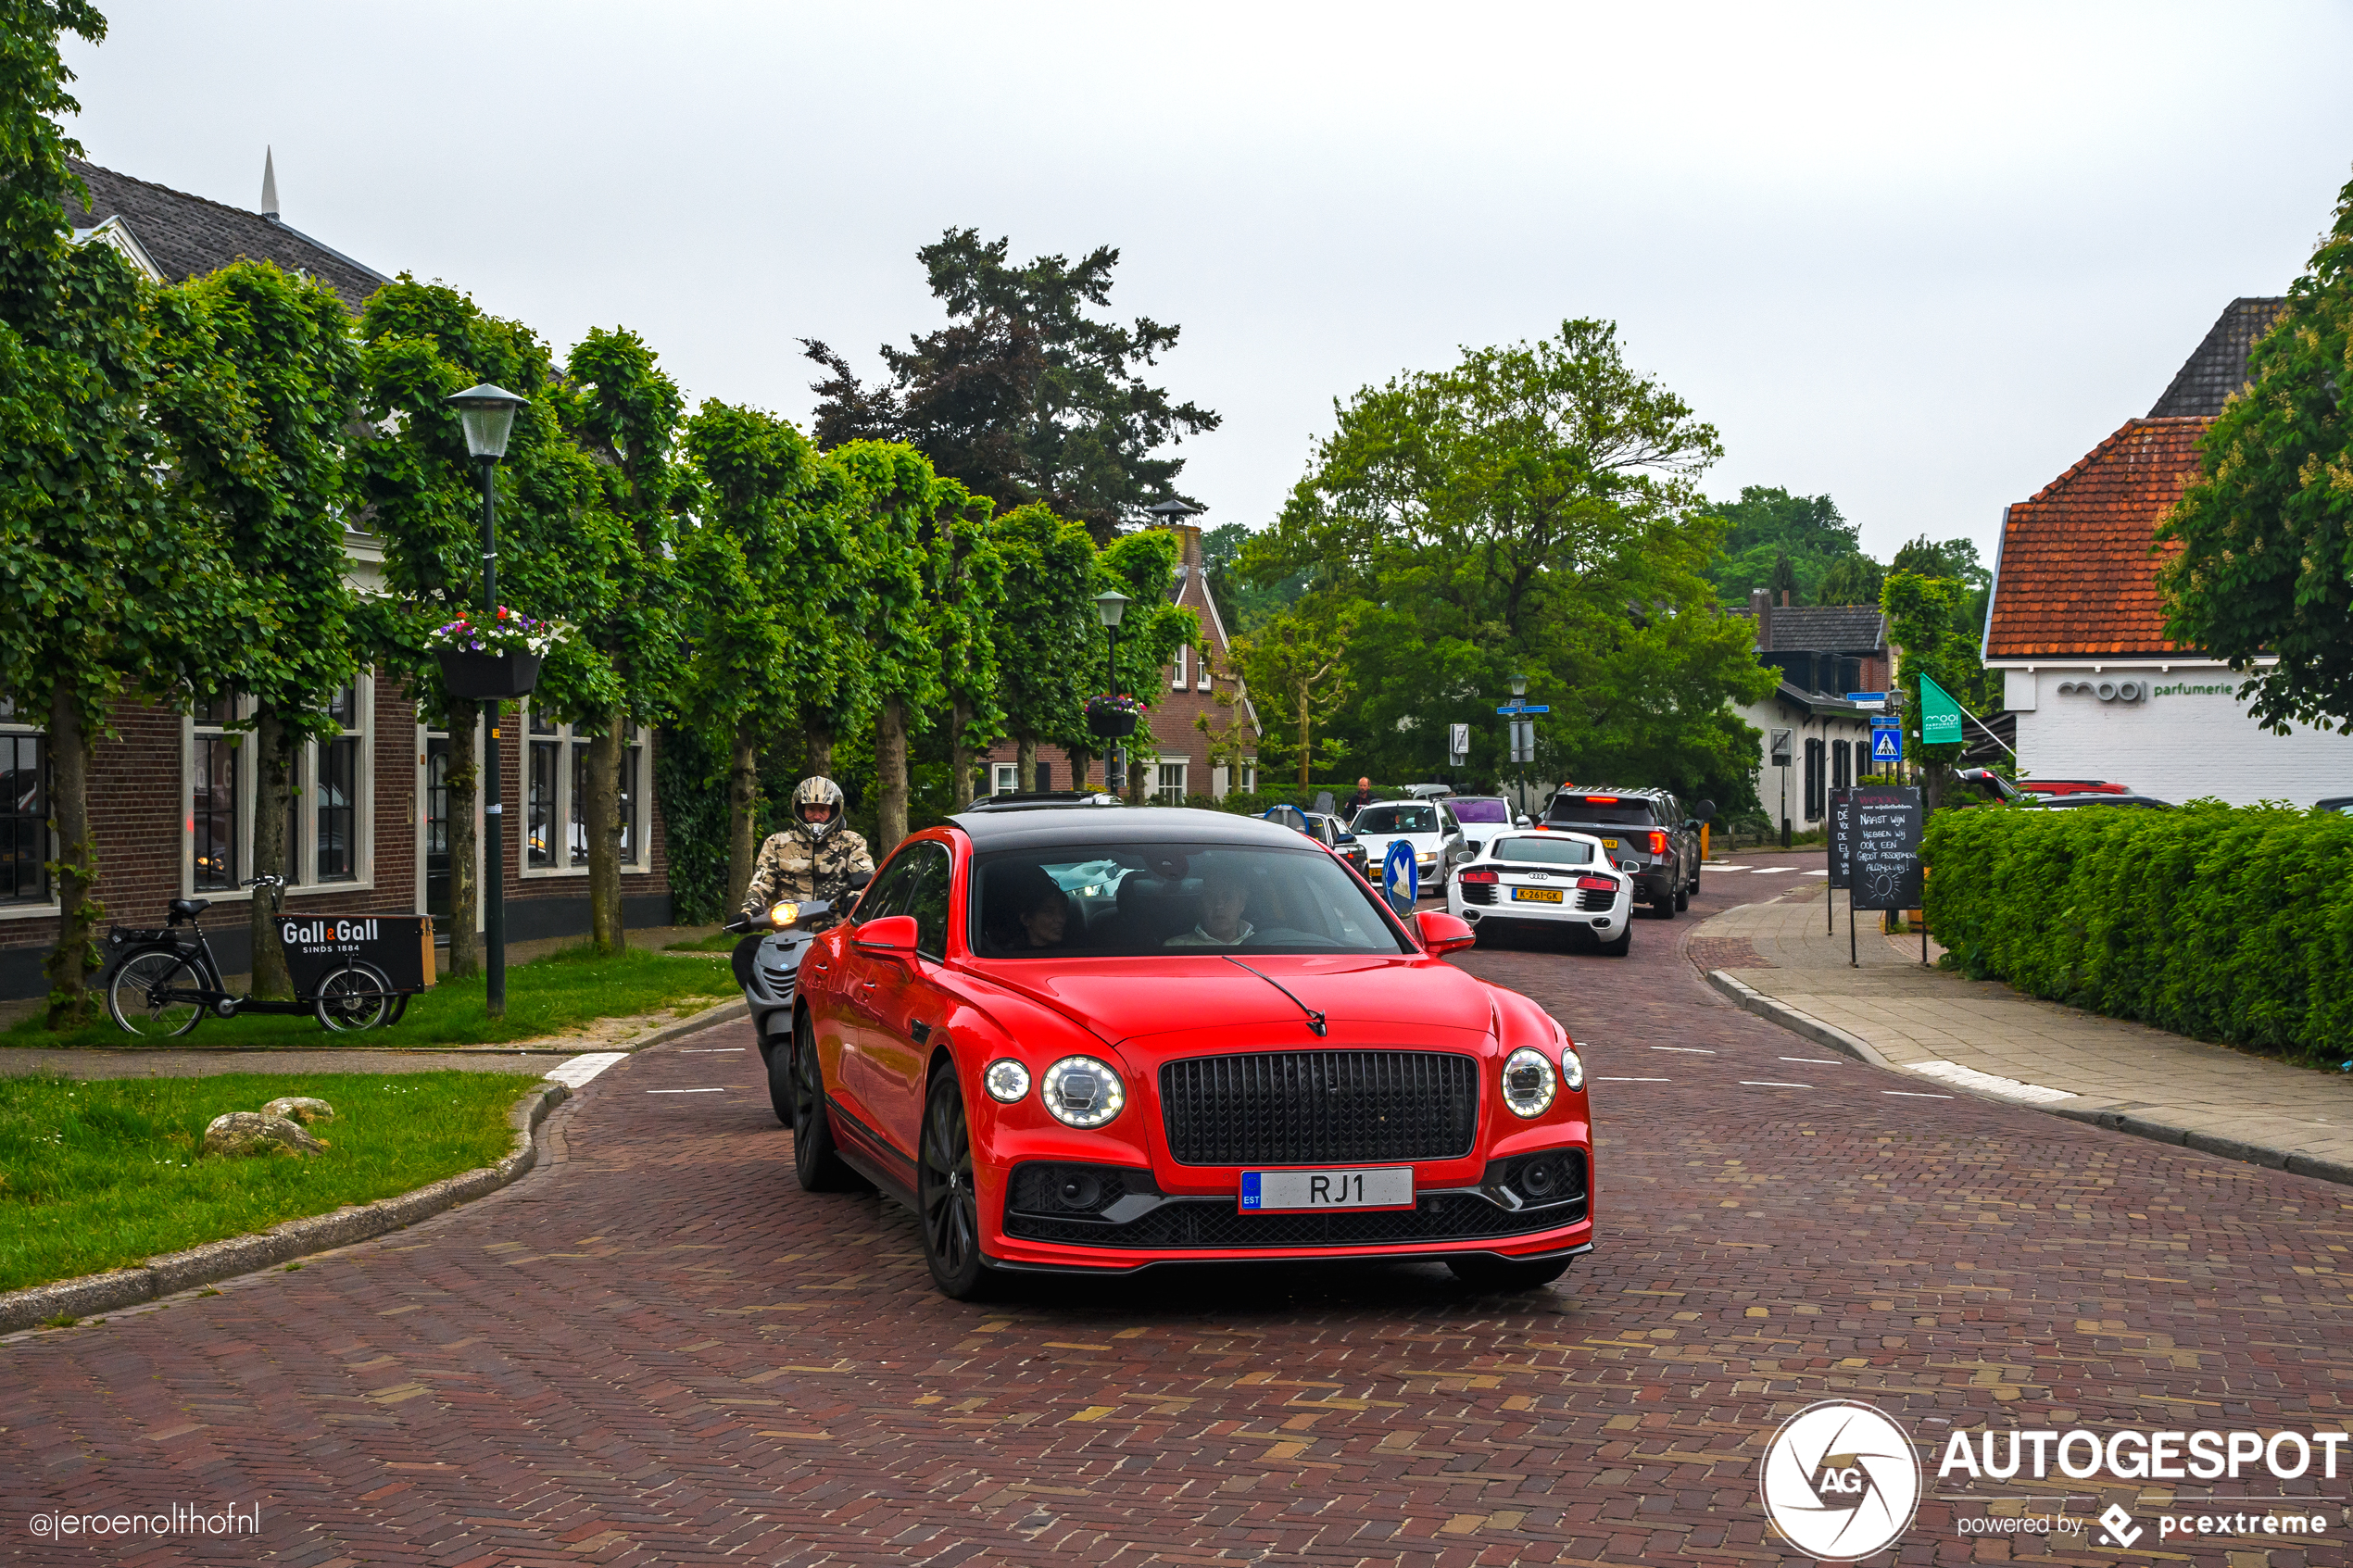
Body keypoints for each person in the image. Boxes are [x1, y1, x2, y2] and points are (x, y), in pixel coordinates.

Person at [741, 776, 874, 914]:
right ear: (800, 809)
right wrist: (748, 911)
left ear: (834, 811)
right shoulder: (777, 843)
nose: (816, 816)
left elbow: (866, 875)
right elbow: (762, 882)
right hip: (788, 926)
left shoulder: (852, 842)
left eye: (823, 810)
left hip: (836, 928)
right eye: (811, 809)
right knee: (752, 938)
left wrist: (856, 898)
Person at [1164, 871, 1255, 947]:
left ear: (1242, 904)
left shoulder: (1263, 942)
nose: (1219, 905)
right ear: (1200, 905)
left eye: (1228, 897)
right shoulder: (1175, 946)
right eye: (1211, 897)